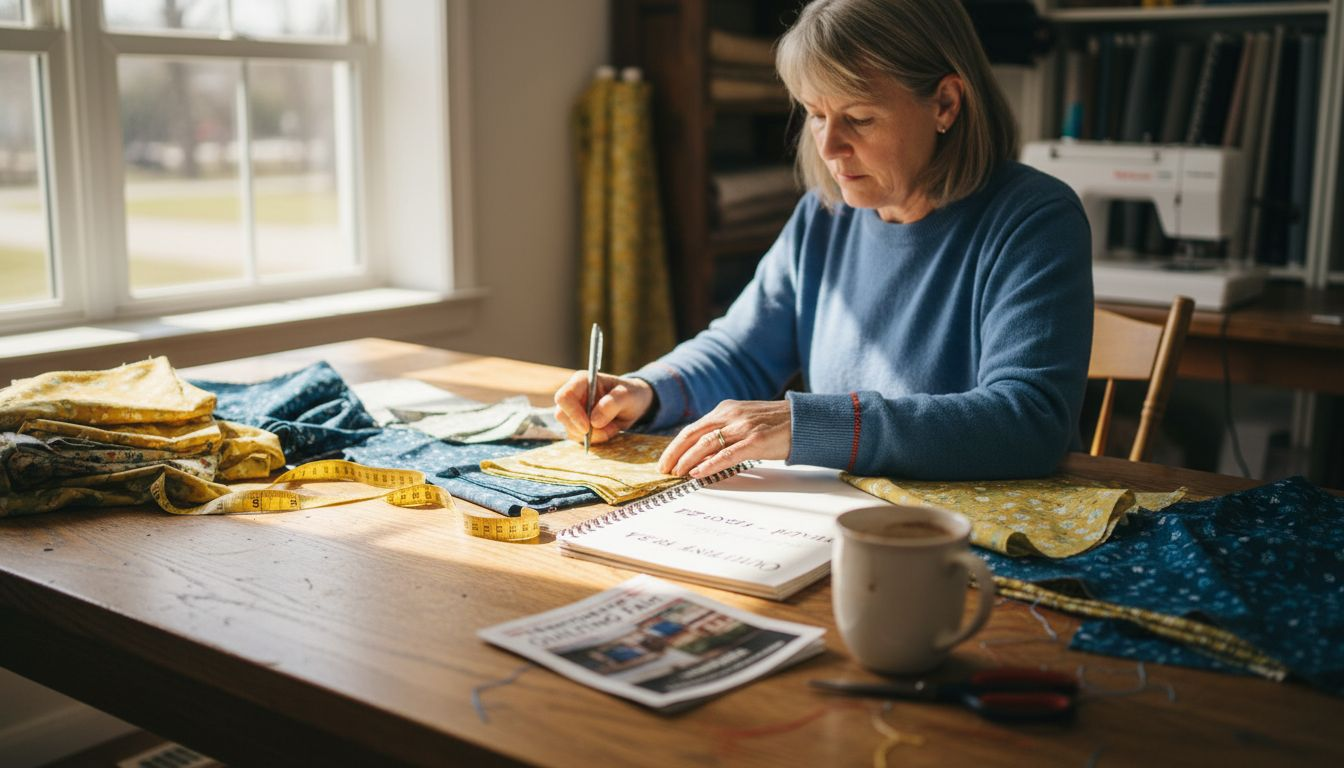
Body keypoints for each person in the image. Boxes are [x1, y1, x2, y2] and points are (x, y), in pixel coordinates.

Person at [554, 0, 1092, 481]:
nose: (831, 146)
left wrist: (804, 422)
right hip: (846, 513)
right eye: (815, 114)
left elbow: (1027, 421)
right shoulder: (824, 214)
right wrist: (644, 392)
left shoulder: (1034, 218)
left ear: (945, 104)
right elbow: (741, 349)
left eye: (858, 117)